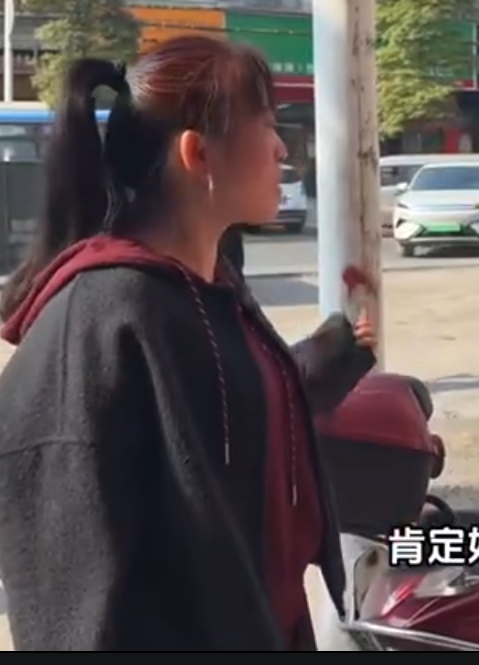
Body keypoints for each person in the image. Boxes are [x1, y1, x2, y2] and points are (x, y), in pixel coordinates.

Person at [0, 37, 379, 651]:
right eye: (267, 124)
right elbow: (70, 592)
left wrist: (332, 359)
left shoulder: (206, 287)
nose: (282, 148)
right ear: (197, 153)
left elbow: (217, 426)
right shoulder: (103, 318)